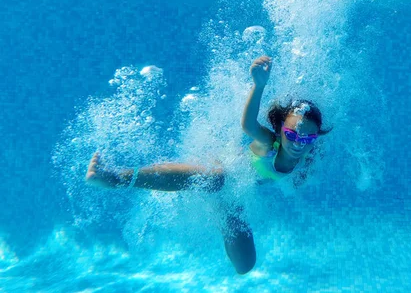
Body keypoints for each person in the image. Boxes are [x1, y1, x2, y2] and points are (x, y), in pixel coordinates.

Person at [85, 55, 330, 274]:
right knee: (217, 179)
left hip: (235, 192)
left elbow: (302, 167)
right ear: (280, 130)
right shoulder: (270, 142)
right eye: (292, 134)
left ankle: (220, 210)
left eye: (307, 137)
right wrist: (259, 86)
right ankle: (117, 178)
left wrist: (301, 177)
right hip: (220, 165)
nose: (299, 142)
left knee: (245, 266)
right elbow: (248, 125)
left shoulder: (308, 153)